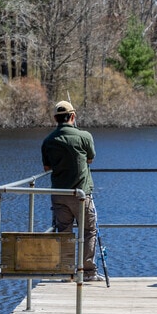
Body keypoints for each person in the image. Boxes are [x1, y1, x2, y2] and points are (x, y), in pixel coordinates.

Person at [41, 100, 104, 282]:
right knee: (89, 231)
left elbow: (46, 167)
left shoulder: (48, 141)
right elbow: (90, 159)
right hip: (81, 194)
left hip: (59, 195)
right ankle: (88, 272)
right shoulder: (85, 136)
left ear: (55, 118)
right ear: (73, 116)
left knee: (64, 232)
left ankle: (67, 273)